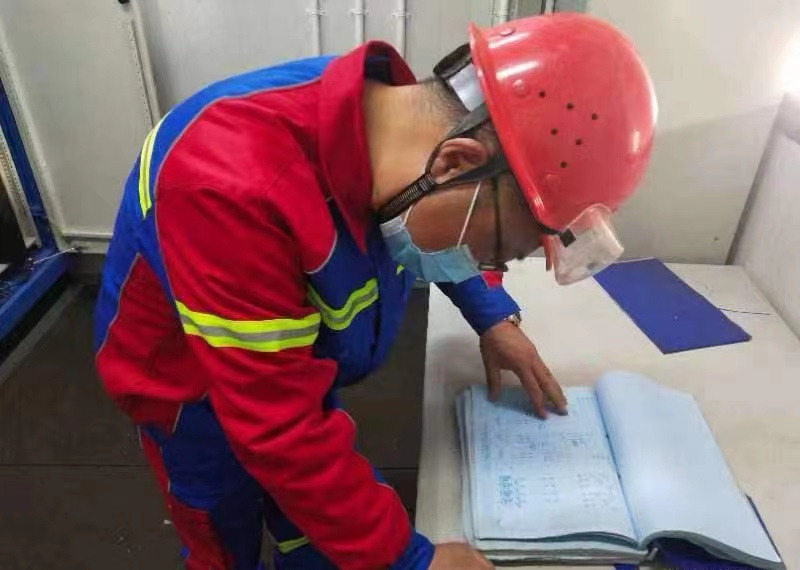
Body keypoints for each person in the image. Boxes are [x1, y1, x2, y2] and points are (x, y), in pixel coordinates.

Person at [94, 12, 656, 570]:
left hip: (290, 361)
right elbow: (280, 429)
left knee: (310, 520)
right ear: (455, 163)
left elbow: (449, 218)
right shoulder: (231, 191)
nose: (485, 265)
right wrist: (411, 560)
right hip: (189, 390)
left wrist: (491, 316)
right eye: (495, 251)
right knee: (225, 527)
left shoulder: (395, 136)